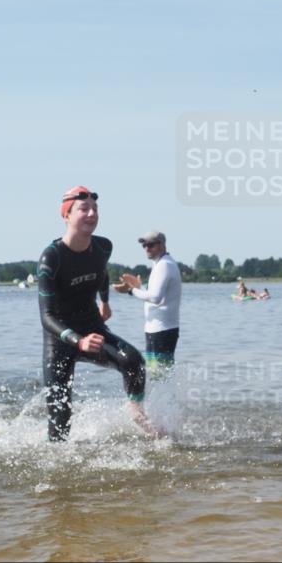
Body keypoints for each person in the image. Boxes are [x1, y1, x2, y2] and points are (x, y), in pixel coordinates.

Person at [38, 186, 153, 441]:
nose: (91, 214)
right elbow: (46, 317)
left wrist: (105, 301)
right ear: (66, 215)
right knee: (59, 426)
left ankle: (135, 411)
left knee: (133, 361)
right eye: (83, 209)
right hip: (60, 339)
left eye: (95, 209)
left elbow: (101, 272)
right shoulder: (52, 257)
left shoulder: (103, 247)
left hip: (93, 327)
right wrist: (78, 341)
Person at [113, 231, 182, 378]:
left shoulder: (164, 265)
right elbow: (153, 295)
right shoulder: (161, 264)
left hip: (162, 330)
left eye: (151, 245)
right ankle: (165, 400)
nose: (147, 249)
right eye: (144, 245)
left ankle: (165, 400)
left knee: (159, 375)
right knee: (159, 375)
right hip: (159, 329)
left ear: (162, 245)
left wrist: (132, 291)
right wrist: (140, 288)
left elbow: (156, 298)